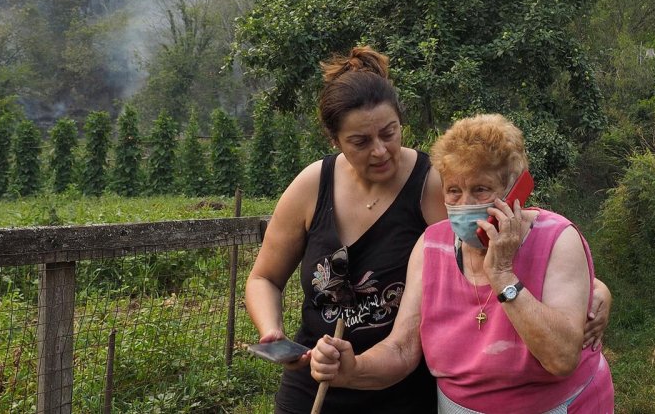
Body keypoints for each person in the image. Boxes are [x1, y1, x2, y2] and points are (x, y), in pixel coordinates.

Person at [245, 47, 611, 413]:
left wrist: (592, 287)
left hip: (403, 390)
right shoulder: (312, 185)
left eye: (389, 133)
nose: (380, 151)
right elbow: (264, 277)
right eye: (360, 142)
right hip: (321, 371)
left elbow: (499, 238)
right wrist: (272, 331)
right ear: (334, 141)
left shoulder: (436, 183)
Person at [309, 114, 614, 413]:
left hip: (561, 406)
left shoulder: (558, 239)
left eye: (481, 189)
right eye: (453, 191)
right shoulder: (431, 245)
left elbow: (561, 359)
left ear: (516, 188)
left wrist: (503, 275)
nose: (465, 204)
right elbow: (401, 349)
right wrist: (353, 369)